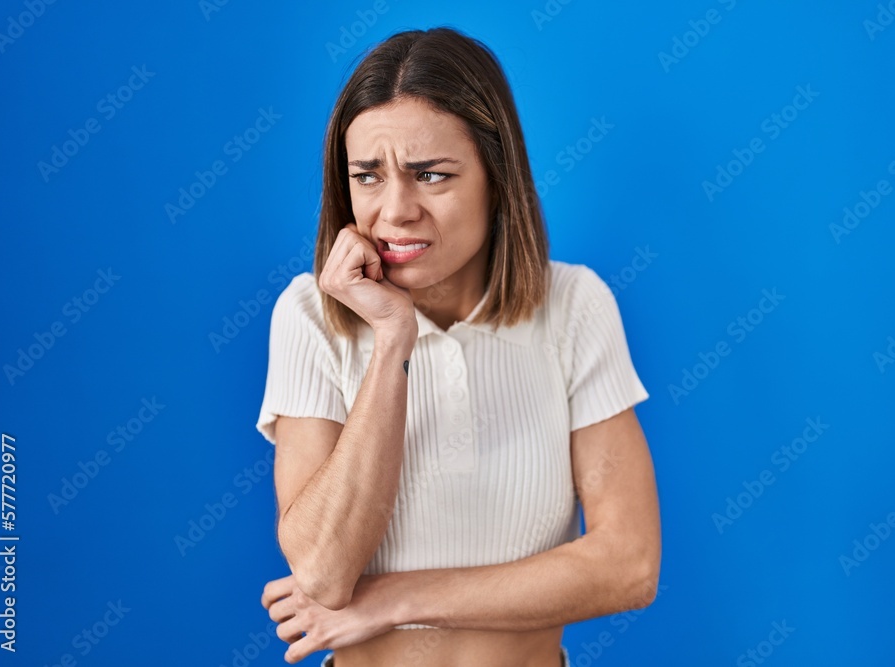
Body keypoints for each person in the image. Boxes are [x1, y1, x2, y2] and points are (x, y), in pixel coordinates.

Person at [256, 26, 661, 667]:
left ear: (496, 179)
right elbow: (325, 574)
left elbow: (628, 564)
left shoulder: (576, 306)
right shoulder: (309, 315)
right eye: (368, 175)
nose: (395, 211)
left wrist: (394, 600)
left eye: (430, 175)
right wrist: (393, 339)